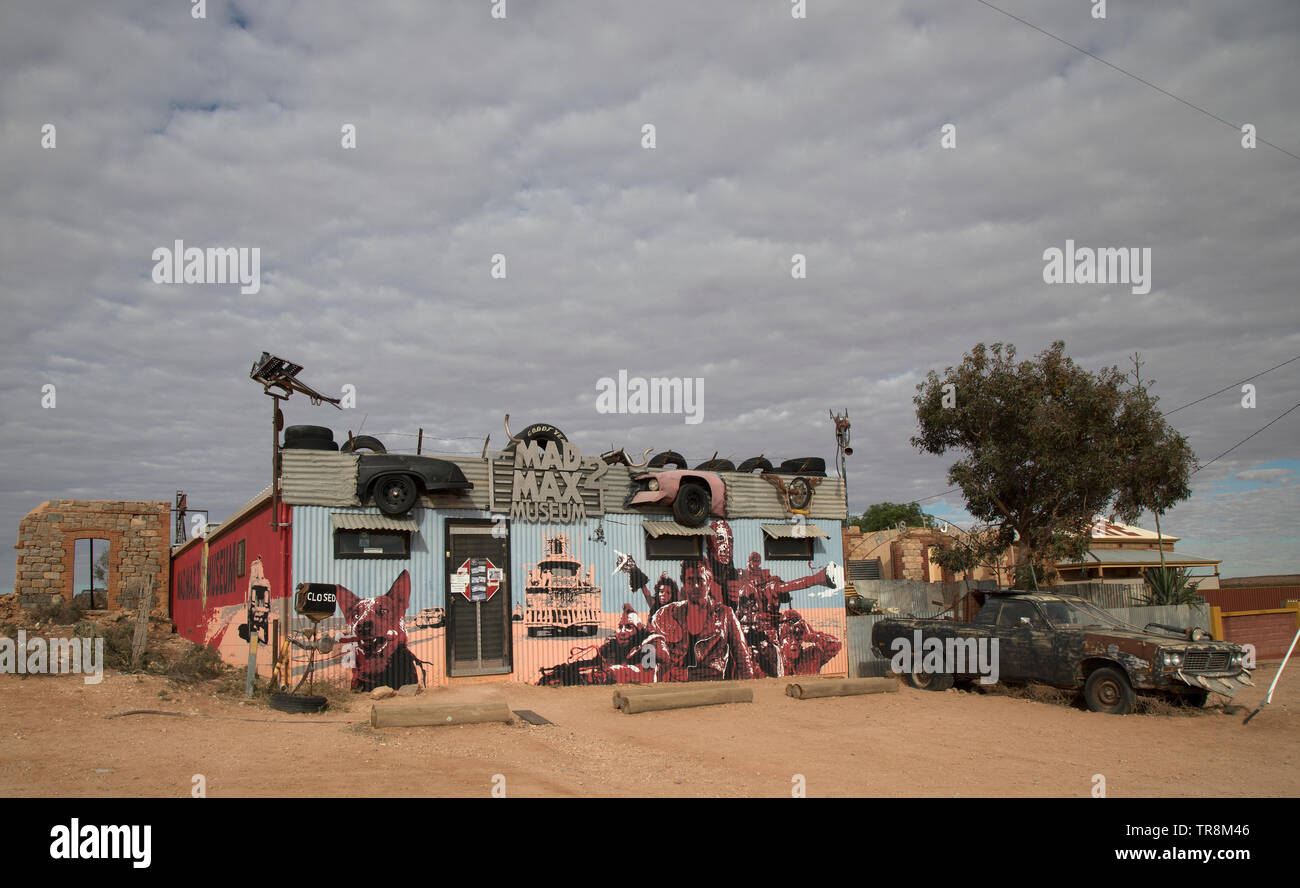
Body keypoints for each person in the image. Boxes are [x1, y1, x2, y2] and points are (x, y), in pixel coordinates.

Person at [643, 560, 757, 682]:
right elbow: (649, 653)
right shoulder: (665, 614)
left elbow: (743, 661)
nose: (695, 586)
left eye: (700, 580)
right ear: (684, 583)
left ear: (708, 582)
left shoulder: (725, 615)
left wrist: (750, 690)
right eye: (690, 581)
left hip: (711, 690)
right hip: (673, 691)